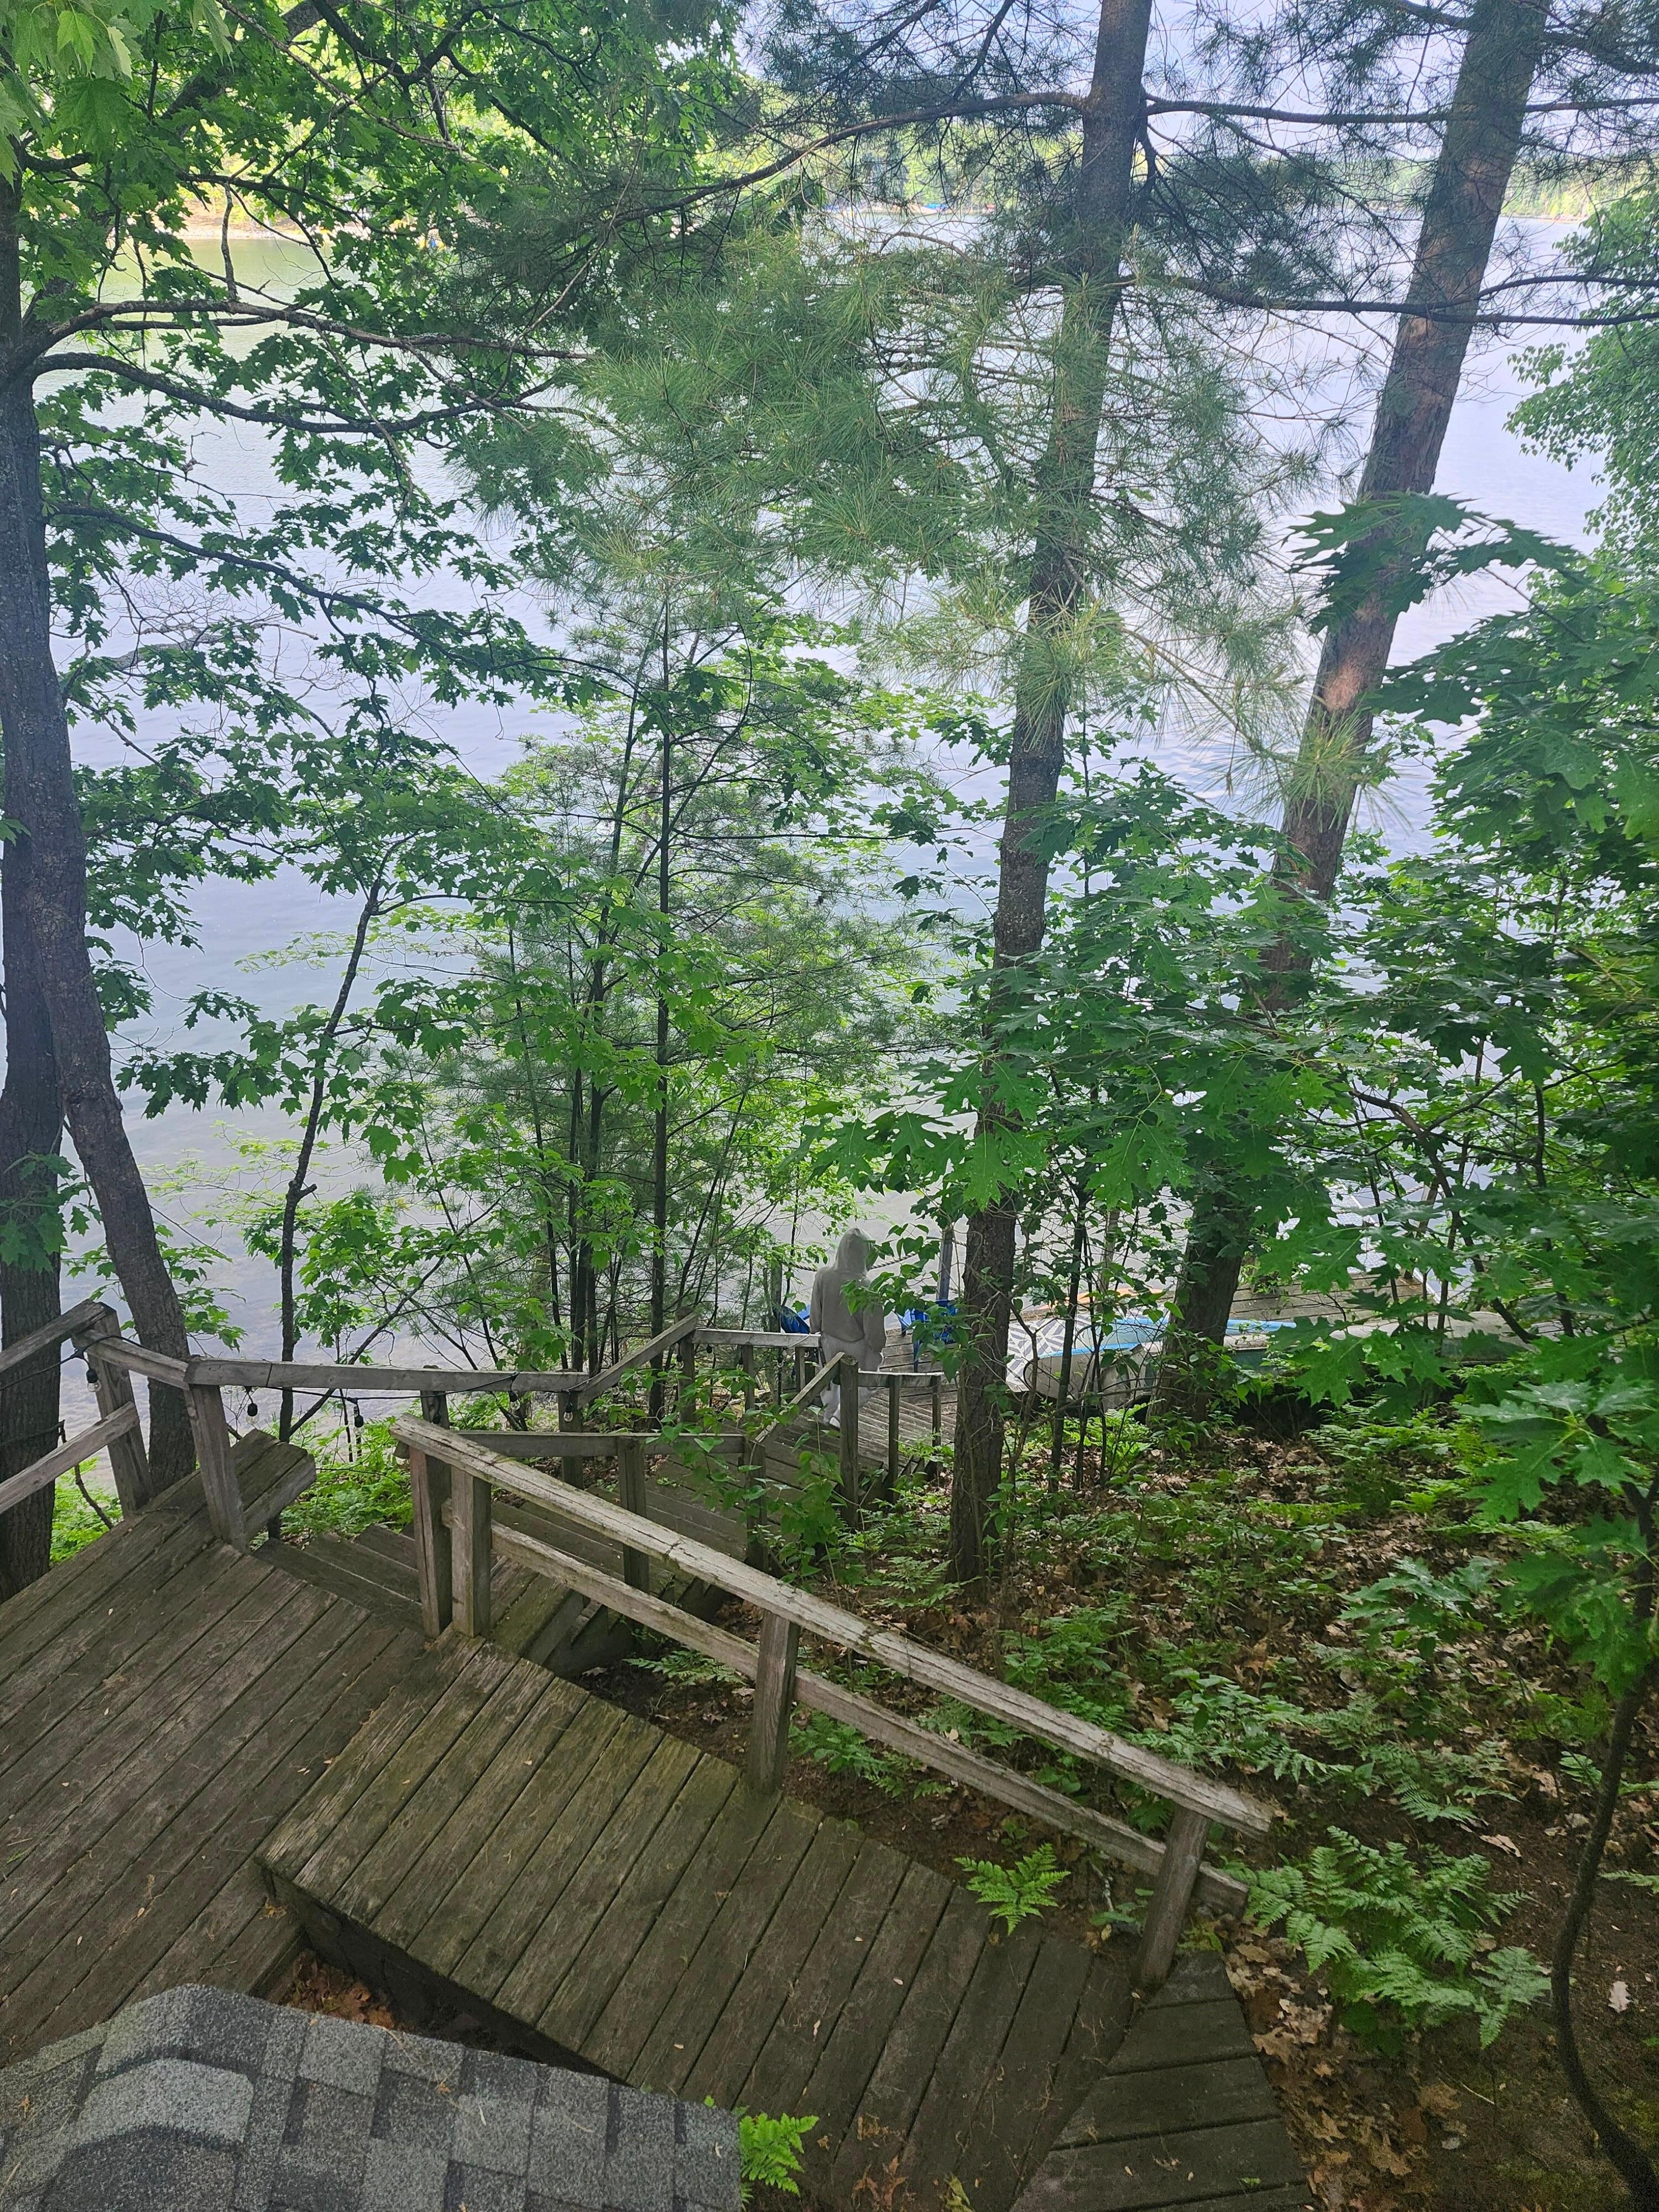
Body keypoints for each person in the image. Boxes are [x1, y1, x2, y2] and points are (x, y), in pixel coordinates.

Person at [810, 1228, 886, 1426]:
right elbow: (875, 1336)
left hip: (829, 1343)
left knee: (831, 1381)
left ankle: (829, 1418)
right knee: (869, 1381)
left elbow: (815, 1320)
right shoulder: (869, 1287)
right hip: (857, 1348)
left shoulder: (822, 1276)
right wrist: (876, 1348)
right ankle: (840, 1417)